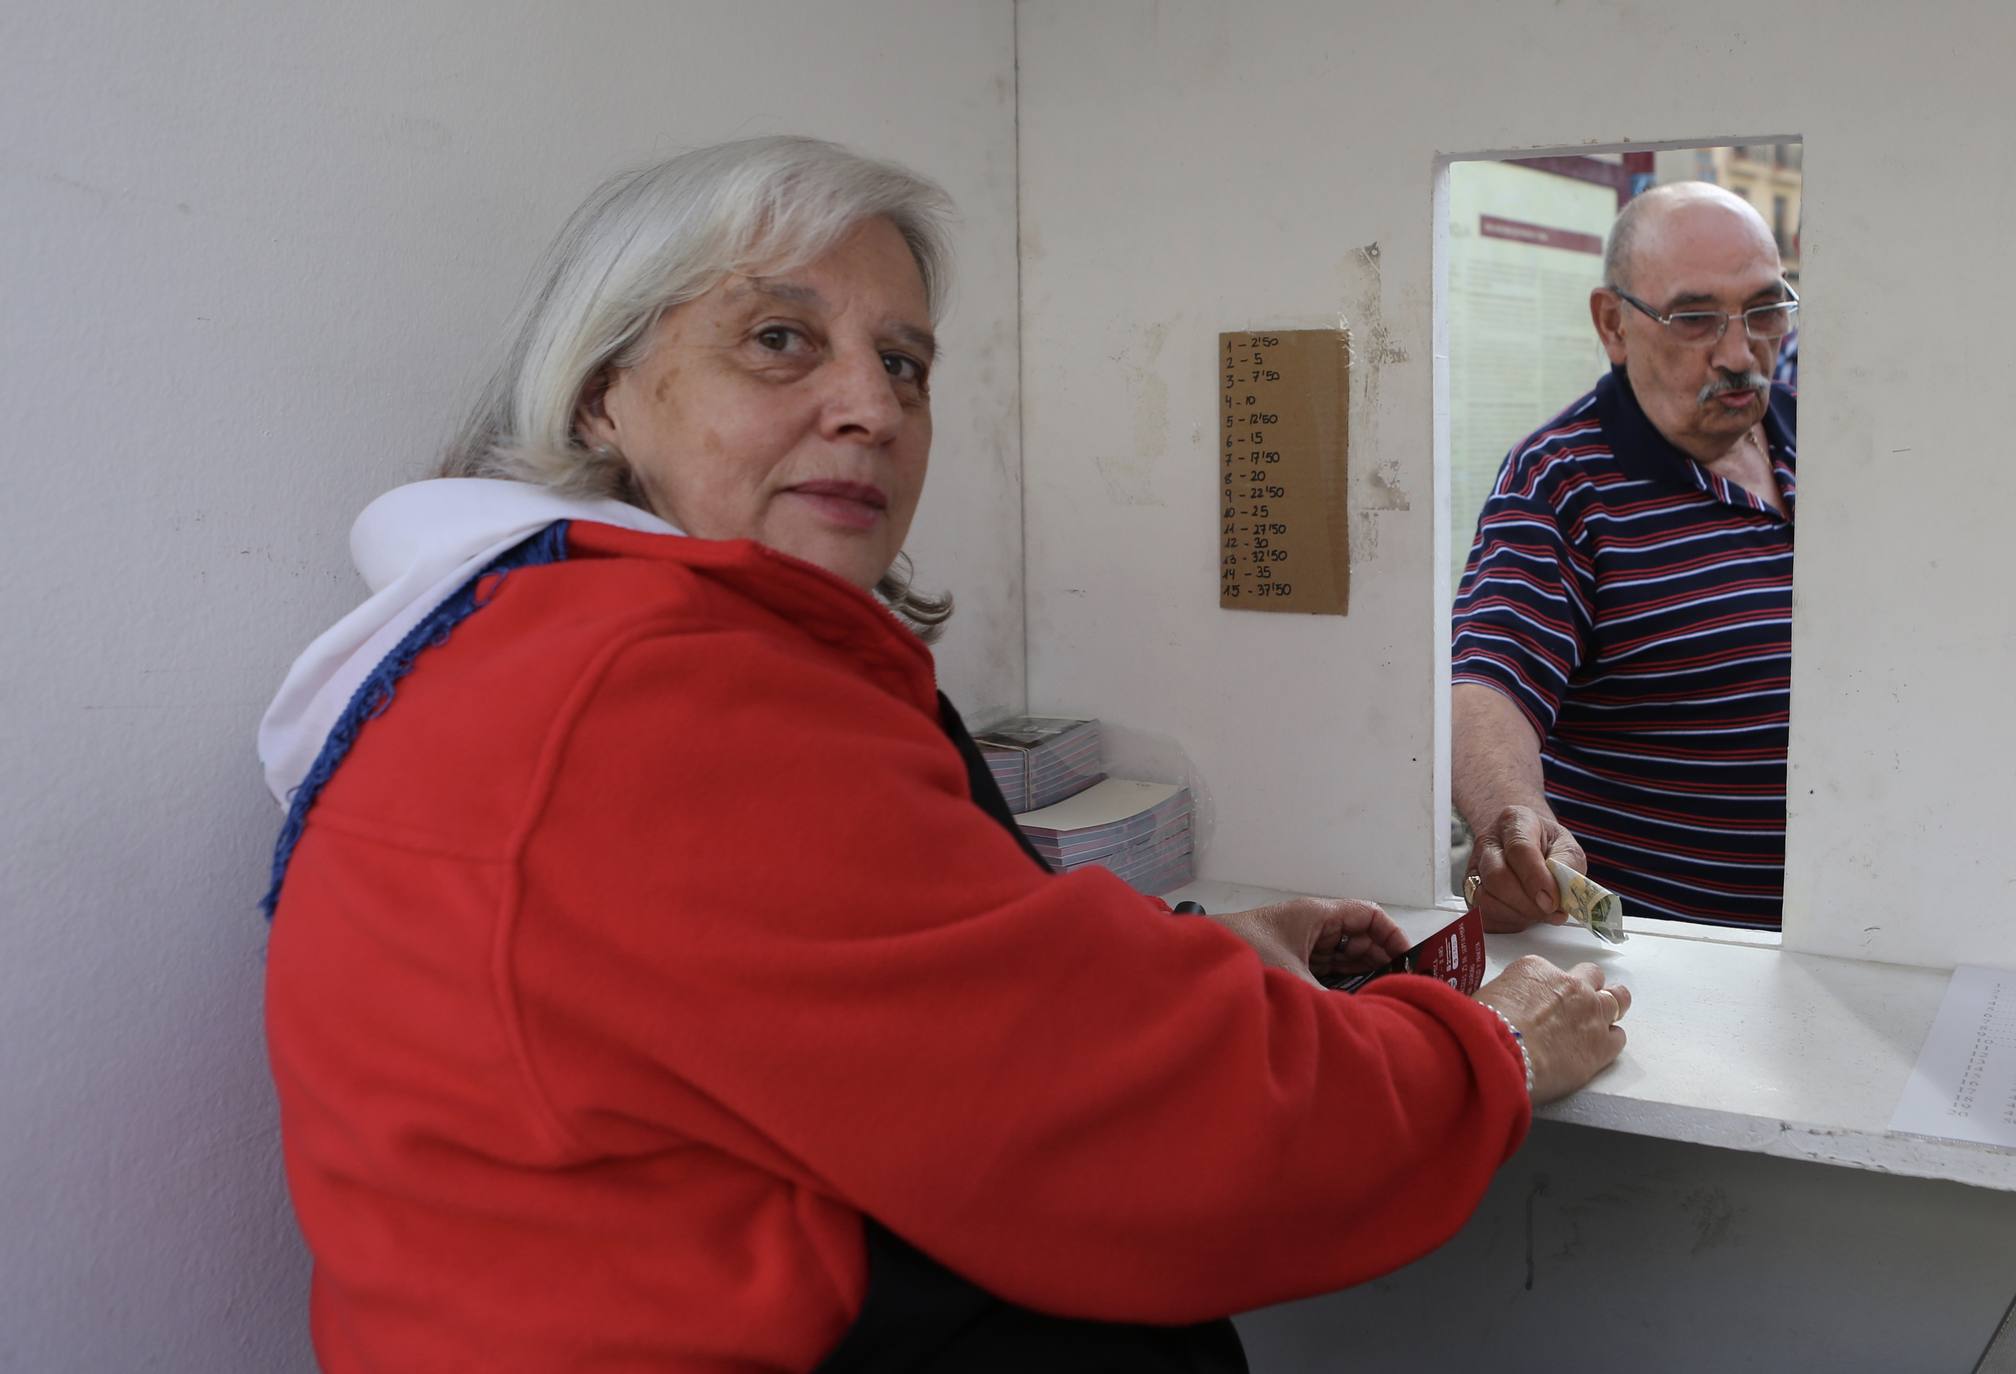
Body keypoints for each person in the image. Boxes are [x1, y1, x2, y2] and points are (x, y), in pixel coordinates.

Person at [255, 136, 1630, 1372]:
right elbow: (1157, 1141)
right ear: (604, 393)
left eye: (903, 361)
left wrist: (1204, 948)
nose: (871, 406)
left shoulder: (507, 638)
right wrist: (1483, 1047)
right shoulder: (664, 703)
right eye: (781, 339)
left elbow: (875, 997)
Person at [1451, 182, 1799, 933]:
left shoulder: (1833, 429)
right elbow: (1486, 683)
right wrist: (1511, 817)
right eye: (1695, 319)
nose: (1740, 354)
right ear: (1613, 323)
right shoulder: (1561, 481)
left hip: (1859, 942)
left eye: (1765, 311)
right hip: (1677, 961)